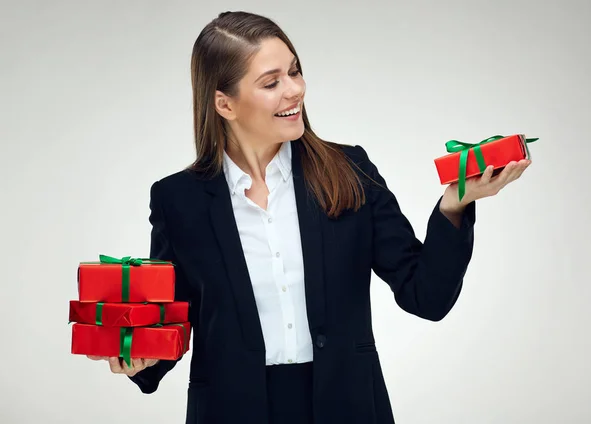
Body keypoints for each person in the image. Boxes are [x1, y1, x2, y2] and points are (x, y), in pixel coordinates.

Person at [88, 10, 530, 424]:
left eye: (295, 71)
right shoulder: (177, 199)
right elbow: (173, 319)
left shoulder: (349, 171)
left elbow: (425, 296)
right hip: (230, 409)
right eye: (271, 81)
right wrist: (136, 358)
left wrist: (454, 204)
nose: (294, 89)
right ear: (224, 104)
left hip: (347, 405)